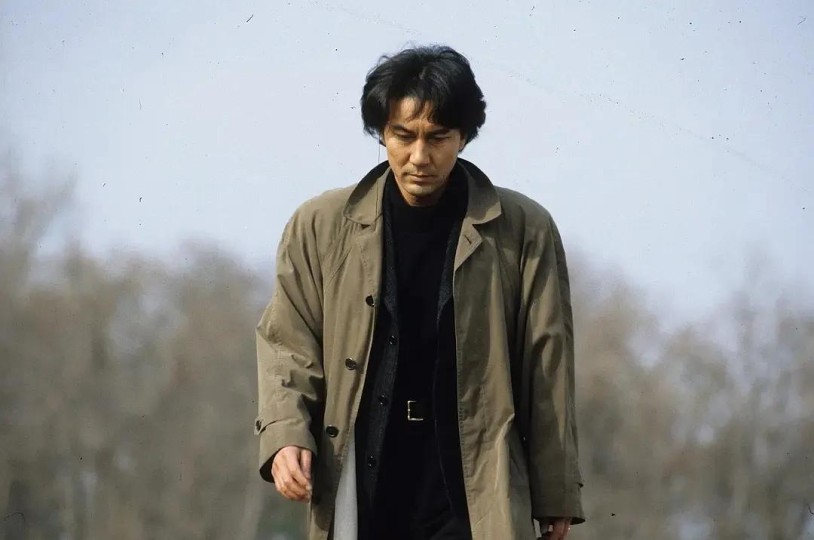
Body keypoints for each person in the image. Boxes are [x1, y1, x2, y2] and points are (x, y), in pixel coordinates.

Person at [255, 45, 584, 540]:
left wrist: (555, 493)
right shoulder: (319, 226)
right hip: (362, 484)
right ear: (381, 133)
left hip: (476, 495)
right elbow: (288, 343)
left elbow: (546, 366)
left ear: (464, 136)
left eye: (438, 137)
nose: (419, 157)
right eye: (403, 136)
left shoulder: (523, 230)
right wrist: (285, 436)